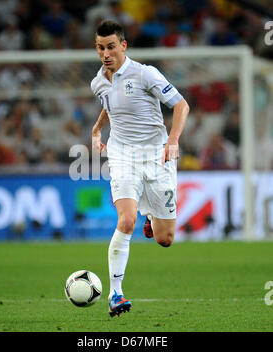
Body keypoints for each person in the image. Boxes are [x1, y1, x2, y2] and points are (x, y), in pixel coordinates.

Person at [91, 20, 189, 317]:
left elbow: (181, 105)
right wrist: (96, 130)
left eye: (110, 47)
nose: (105, 53)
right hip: (122, 156)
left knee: (164, 239)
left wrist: (173, 140)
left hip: (157, 157)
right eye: (100, 48)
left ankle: (151, 214)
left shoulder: (146, 74)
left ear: (123, 46)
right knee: (126, 220)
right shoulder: (98, 82)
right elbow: (112, 103)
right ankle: (116, 293)